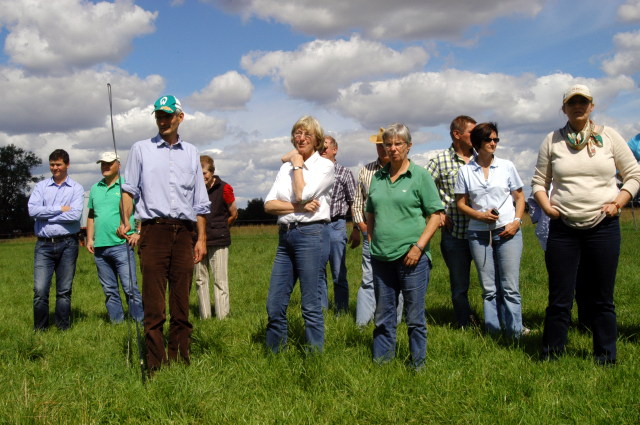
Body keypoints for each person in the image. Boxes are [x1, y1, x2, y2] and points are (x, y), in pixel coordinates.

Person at [532, 84, 640, 364]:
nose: (578, 106)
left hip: (604, 226)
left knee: (602, 297)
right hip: (563, 227)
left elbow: (633, 175)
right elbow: (539, 183)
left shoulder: (610, 136)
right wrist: (548, 208)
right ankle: (551, 355)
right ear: (564, 108)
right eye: (572, 102)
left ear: (592, 106)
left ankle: (606, 356)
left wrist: (618, 203)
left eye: (584, 102)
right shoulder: (552, 140)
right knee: (559, 297)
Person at [118, 95, 210, 372]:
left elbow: (200, 202)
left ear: (180, 118)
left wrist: (201, 238)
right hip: (153, 233)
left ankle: (180, 362)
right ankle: (155, 367)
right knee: (154, 307)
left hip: (184, 233)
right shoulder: (140, 149)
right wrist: (127, 220)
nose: (162, 120)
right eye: (158, 115)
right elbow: (128, 190)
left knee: (181, 306)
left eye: (168, 115)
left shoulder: (192, 153)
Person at [366, 123, 443, 369]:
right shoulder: (377, 177)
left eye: (398, 143)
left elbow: (436, 216)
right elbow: (371, 213)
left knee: (414, 316)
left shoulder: (420, 176)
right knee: (383, 315)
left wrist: (419, 247)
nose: (393, 148)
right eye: (388, 144)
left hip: (413, 258)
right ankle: (382, 364)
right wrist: (371, 243)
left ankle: (417, 365)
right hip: (381, 258)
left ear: (408, 146)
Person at [264, 116, 334, 353]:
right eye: (297, 133)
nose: (301, 138)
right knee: (274, 304)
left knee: (310, 304)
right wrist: (298, 208)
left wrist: (296, 164)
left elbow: (302, 192)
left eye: (307, 135)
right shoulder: (284, 168)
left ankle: (315, 358)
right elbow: (269, 205)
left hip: (312, 235)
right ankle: (275, 356)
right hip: (285, 236)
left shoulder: (325, 167)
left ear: (317, 141)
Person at [455, 122, 526, 338]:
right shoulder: (465, 171)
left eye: (496, 139)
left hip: (508, 231)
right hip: (479, 234)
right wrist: (479, 215)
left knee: (510, 287)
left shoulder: (507, 166)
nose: (493, 143)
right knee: (489, 289)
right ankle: (493, 333)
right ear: (477, 143)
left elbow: (520, 197)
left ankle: (515, 333)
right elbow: (461, 203)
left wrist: (516, 222)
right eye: (488, 139)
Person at [427, 115, 477, 328]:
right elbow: (422, 188)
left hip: (485, 232)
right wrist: (437, 212)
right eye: (472, 132)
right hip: (455, 235)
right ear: (457, 134)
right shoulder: (439, 161)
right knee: (459, 287)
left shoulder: (482, 157)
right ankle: (466, 324)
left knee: (495, 284)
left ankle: (500, 322)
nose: (477, 137)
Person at [353, 128, 404, 327]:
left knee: (396, 281)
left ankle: (394, 323)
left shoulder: (404, 170)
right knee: (368, 279)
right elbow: (357, 202)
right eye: (381, 144)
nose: (384, 148)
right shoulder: (366, 171)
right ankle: (362, 324)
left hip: (398, 236)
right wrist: (363, 227)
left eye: (388, 144)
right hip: (371, 234)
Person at [28, 149, 84, 331]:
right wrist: (61, 209)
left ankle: (63, 328)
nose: (55, 168)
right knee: (40, 290)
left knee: (64, 291)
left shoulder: (76, 188)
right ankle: (40, 329)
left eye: (58, 164)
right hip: (44, 244)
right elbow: (33, 211)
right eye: (52, 164)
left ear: (67, 165)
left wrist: (46, 215)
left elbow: (75, 216)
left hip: (68, 243)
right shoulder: (41, 187)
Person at [86, 152, 143, 324]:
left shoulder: (127, 186)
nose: (105, 166)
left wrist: (137, 232)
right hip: (100, 246)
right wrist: (90, 239)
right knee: (109, 289)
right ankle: (117, 322)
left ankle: (140, 321)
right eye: (102, 163)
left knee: (130, 287)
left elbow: (141, 211)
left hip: (121, 245)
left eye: (109, 163)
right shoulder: (95, 188)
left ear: (118, 165)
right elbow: (91, 215)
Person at [194, 155, 238, 319]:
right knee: (200, 279)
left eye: (205, 173)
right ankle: (204, 317)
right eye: (199, 173)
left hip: (218, 239)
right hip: (197, 239)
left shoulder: (224, 188)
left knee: (220, 280)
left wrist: (221, 228)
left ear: (212, 172)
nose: (202, 176)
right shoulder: (192, 189)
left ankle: (222, 317)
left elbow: (233, 214)